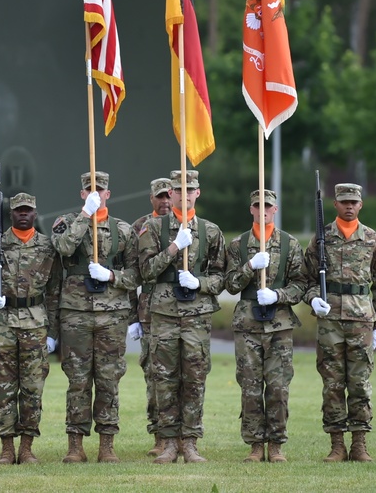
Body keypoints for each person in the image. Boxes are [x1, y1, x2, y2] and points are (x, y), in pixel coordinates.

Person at [137, 169, 226, 464]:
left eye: (190, 190)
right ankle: (168, 443)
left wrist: (198, 283)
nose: (184, 194)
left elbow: (222, 278)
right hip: (163, 313)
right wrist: (175, 247)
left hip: (197, 315)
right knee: (164, 379)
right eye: (178, 190)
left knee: (195, 378)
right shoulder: (153, 227)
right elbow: (146, 271)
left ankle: (190, 443)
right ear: (170, 193)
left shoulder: (210, 231)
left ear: (197, 193)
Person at [51, 171, 139, 464]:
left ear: (108, 193)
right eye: (89, 189)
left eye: (100, 189)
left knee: (109, 379)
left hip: (112, 315)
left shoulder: (123, 230)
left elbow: (137, 274)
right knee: (77, 379)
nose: (95, 192)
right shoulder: (66, 223)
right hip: (75, 313)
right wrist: (84, 215)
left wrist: (111, 275)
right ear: (82, 194)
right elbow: (62, 248)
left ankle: (107, 444)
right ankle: (75, 444)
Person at [303, 182, 376, 463]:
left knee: (360, 383)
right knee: (332, 384)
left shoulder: (373, 240)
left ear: (361, 205)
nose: (349, 206)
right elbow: (305, 281)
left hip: (361, 321)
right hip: (330, 322)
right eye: (344, 202)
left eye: (354, 202)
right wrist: (314, 298)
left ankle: (360, 444)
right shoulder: (321, 239)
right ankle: (337, 444)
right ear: (335, 204)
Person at [0, 192, 61, 465]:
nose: (23, 214)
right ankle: (6, 448)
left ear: (35, 214)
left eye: (28, 210)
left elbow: (56, 291)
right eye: (18, 210)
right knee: (4, 387)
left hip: (35, 323)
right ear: (11, 214)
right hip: (3, 324)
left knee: (33, 388)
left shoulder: (48, 248)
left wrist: (53, 333)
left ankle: (26, 447)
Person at [223, 189, 309, 463]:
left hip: (279, 324)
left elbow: (300, 285)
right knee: (249, 386)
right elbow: (231, 284)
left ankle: (276, 444)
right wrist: (250, 266)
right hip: (248, 323)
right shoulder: (238, 244)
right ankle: (255, 444)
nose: (262, 210)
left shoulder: (289, 244)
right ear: (251, 209)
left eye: (267, 206)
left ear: (275, 209)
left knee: (278, 387)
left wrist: (278, 295)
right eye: (257, 205)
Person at [130, 177, 173, 457]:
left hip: (179, 310)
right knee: (154, 375)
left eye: (169, 196)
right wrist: (133, 315)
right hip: (149, 311)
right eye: (160, 196)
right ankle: (158, 435)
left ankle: (181, 436)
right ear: (151, 199)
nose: (165, 201)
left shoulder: (185, 226)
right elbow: (133, 272)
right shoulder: (139, 227)